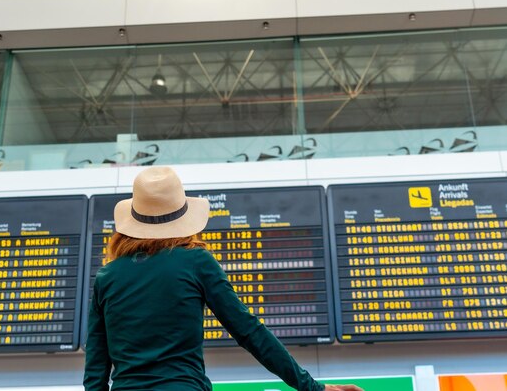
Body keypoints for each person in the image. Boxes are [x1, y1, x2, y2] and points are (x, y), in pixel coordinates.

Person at [84, 166, 363, 391]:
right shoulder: (195, 261)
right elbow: (249, 331)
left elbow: (96, 370)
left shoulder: (107, 277)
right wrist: (312, 388)